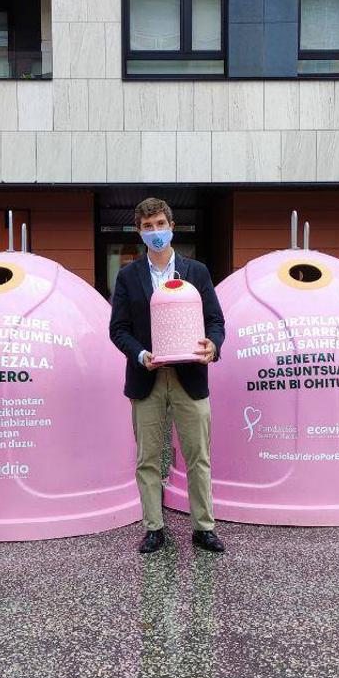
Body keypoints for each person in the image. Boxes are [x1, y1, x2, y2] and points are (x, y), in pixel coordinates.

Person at [109, 197, 227, 555]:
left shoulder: (197, 272)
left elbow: (216, 321)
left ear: (172, 227)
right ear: (139, 231)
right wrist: (141, 355)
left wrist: (214, 345)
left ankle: (204, 527)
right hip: (147, 378)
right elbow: (119, 329)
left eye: (160, 224)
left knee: (198, 456)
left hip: (190, 378)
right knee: (147, 458)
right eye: (147, 227)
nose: (155, 232)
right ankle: (154, 527)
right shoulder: (128, 275)